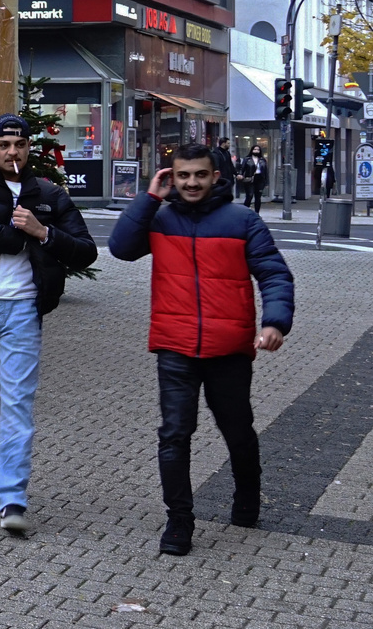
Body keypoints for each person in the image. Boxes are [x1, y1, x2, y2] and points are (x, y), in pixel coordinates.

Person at [107, 144, 294, 557]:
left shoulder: (242, 220)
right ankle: (179, 521)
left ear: (215, 177)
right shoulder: (159, 217)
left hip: (228, 348)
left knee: (237, 430)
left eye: (200, 175)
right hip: (175, 346)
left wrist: (274, 322)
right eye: (183, 175)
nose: (192, 183)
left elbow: (274, 274)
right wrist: (149, 196)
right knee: (174, 434)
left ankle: (247, 494)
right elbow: (120, 248)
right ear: (172, 177)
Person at [0, 113, 98, 537]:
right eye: (4, 144)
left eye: (20, 144)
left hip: (24, 312)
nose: (12, 152)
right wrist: (22, 236)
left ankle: (12, 497)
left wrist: (42, 231)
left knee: (17, 403)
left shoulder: (49, 194)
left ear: (29, 148)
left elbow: (86, 251)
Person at [239, 145, 269, 212]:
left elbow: (266, 171)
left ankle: (257, 213)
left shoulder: (262, 160)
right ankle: (245, 211)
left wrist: (267, 182)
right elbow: (242, 168)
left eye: (258, 150)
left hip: (260, 179)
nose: (256, 151)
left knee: (258, 197)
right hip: (250, 179)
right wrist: (240, 175)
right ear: (252, 150)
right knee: (249, 195)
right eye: (255, 149)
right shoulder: (247, 159)